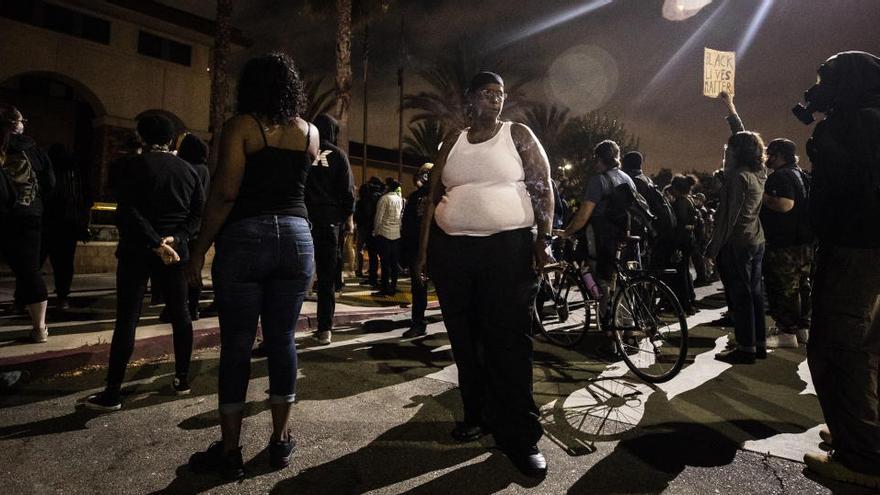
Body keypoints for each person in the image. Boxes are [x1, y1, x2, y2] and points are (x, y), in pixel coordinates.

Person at [415, 71, 553, 479]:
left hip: (506, 251)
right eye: (487, 93)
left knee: (508, 342)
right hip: (453, 252)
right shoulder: (452, 141)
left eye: (500, 94)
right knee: (465, 339)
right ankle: (477, 416)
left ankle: (521, 436)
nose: (495, 100)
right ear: (470, 98)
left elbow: (543, 184)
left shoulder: (518, 134)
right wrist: (422, 251)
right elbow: (434, 195)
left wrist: (543, 239)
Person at [185, 52, 316, 479]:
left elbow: (224, 194)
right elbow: (297, 187)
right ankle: (280, 441)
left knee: (238, 343)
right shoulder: (311, 133)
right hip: (298, 236)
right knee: (282, 340)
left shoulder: (242, 126)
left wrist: (200, 248)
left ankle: (229, 450)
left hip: (246, 237)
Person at [794, 51, 880, 488]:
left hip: (853, 250)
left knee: (836, 349)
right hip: (870, 253)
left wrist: (821, 128)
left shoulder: (850, 126)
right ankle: (862, 428)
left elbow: (833, 196)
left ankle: (861, 456)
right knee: (867, 349)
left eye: (824, 80)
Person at [85, 114, 204, 412]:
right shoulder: (188, 172)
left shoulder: (129, 166)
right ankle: (181, 379)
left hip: (137, 250)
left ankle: (112, 392)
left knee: (127, 318)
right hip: (176, 253)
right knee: (180, 315)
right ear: (170, 139)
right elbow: (196, 215)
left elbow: (127, 211)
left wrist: (154, 242)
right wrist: (174, 239)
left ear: (142, 136)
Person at [559, 139, 638, 356]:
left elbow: (584, 216)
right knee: (621, 286)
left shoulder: (599, 181)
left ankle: (610, 339)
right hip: (623, 237)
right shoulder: (627, 178)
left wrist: (566, 232)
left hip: (601, 238)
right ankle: (629, 333)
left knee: (603, 285)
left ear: (599, 159)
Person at [708, 92, 768, 365]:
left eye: (729, 149)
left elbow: (726, 218)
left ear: (737, 153)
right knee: (754, 295)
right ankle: (757, 344)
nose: (726, 151)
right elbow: (744, 136)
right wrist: (730, 106)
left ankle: (744, 348)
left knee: (740, 296)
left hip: (738, 243)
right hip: (756, 240)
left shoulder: (736, 178)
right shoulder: (759, 172)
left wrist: (712, 249)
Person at [0, 104, 54, 342]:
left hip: (4, 213)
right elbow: (50, 182)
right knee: (30, 269)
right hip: (29, 213)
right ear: (16, 124)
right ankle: (39, 327)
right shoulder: (34, 149)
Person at [755, 138, 814, 348]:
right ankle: (803, 328)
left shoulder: (779, 177)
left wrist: (761, 196)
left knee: (783, 287)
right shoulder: (802, 175)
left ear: (778, 155)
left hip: (784, 242)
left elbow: (785, 205)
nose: (766, 158)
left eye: (769, 154)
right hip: (805, 242)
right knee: (803, 285)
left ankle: (786, 331)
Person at [305, 113, 355, 345]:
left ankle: (281, 328)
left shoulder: (303, 151)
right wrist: (348, 218)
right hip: (328, 222)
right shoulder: (339, 156)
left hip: (302, 219)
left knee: (293, 277)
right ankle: (325, 328)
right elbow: (347, 192)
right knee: (326, 278)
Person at [41, 144, 91, 311]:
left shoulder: (48, 170)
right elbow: (82, 201)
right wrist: (82, 225)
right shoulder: (74, 173)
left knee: (35, 263)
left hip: (47, 223)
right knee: (64, 265)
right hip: (66, 225)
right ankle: (62, 297)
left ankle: (21, 299)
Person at [176, 133, 211, 321]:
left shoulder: (185, 168)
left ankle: (181, 308)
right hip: (200, 226)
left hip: (185, 225)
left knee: (181, 270)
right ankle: (194, 307)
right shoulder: (204, 169)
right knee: (195, 269)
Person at [400, 163, 432, 337]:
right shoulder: (415, 197)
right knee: (418, 289)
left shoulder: (444, 196)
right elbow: (407, 226)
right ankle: (418, 322)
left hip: (437, 250)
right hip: (417, 250)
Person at [669, 174, 697, 315]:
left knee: (681, 274)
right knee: (685, 272)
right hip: (689, 240)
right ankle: (690, 301)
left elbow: (680, 224)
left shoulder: (680, 202)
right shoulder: (689, 201)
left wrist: (675, 246)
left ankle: (684, 305)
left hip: (682, 241)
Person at [373, 177, 403, 297]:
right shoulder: (399, 199)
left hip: (384, 233)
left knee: (385, 263)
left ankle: (384, 288)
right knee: (394, 263)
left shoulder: (384, 199)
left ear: (388, 187)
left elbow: (379, 217)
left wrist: (375, 231)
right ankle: (393, 287)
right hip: (396, 234)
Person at [355, 176, 383, 286]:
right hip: (376, 228)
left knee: (370, 253)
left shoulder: (367, 197)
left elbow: (364, 213)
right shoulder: (380, 196)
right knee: (376, 254)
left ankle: (371, 277)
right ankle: (374, 276)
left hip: (367, 227)